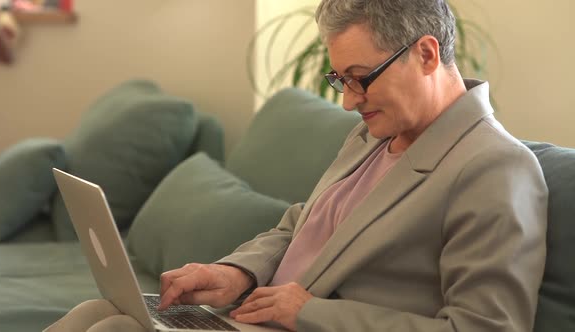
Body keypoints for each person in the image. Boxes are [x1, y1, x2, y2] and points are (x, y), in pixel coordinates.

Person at [45, 0, 548, 331]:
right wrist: (237, 271)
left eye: (360, 78)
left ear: (425, 53)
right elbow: (301, 223)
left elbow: (485, 327)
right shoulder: (375, 133)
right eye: (341, 80)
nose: (350, 102)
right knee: (102, 311)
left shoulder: (495, 168)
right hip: (248, 318)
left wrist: (312, 314)